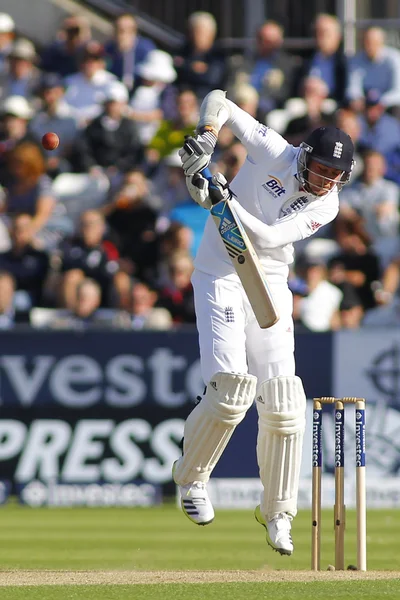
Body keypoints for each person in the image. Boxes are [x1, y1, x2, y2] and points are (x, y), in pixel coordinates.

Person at [173, 89, 355, 556]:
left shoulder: (328, 204)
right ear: (304, 158)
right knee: (230, 391)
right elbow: (219, 99)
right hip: (220, 272)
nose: (324, 182)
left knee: (284, 398)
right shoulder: (275, 149)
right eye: (320, 170)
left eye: (336, 176)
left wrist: (220, 198)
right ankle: (191, 480)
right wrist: (207, 140)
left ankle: (278, 513)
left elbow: (272, 235)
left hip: (269, 275)